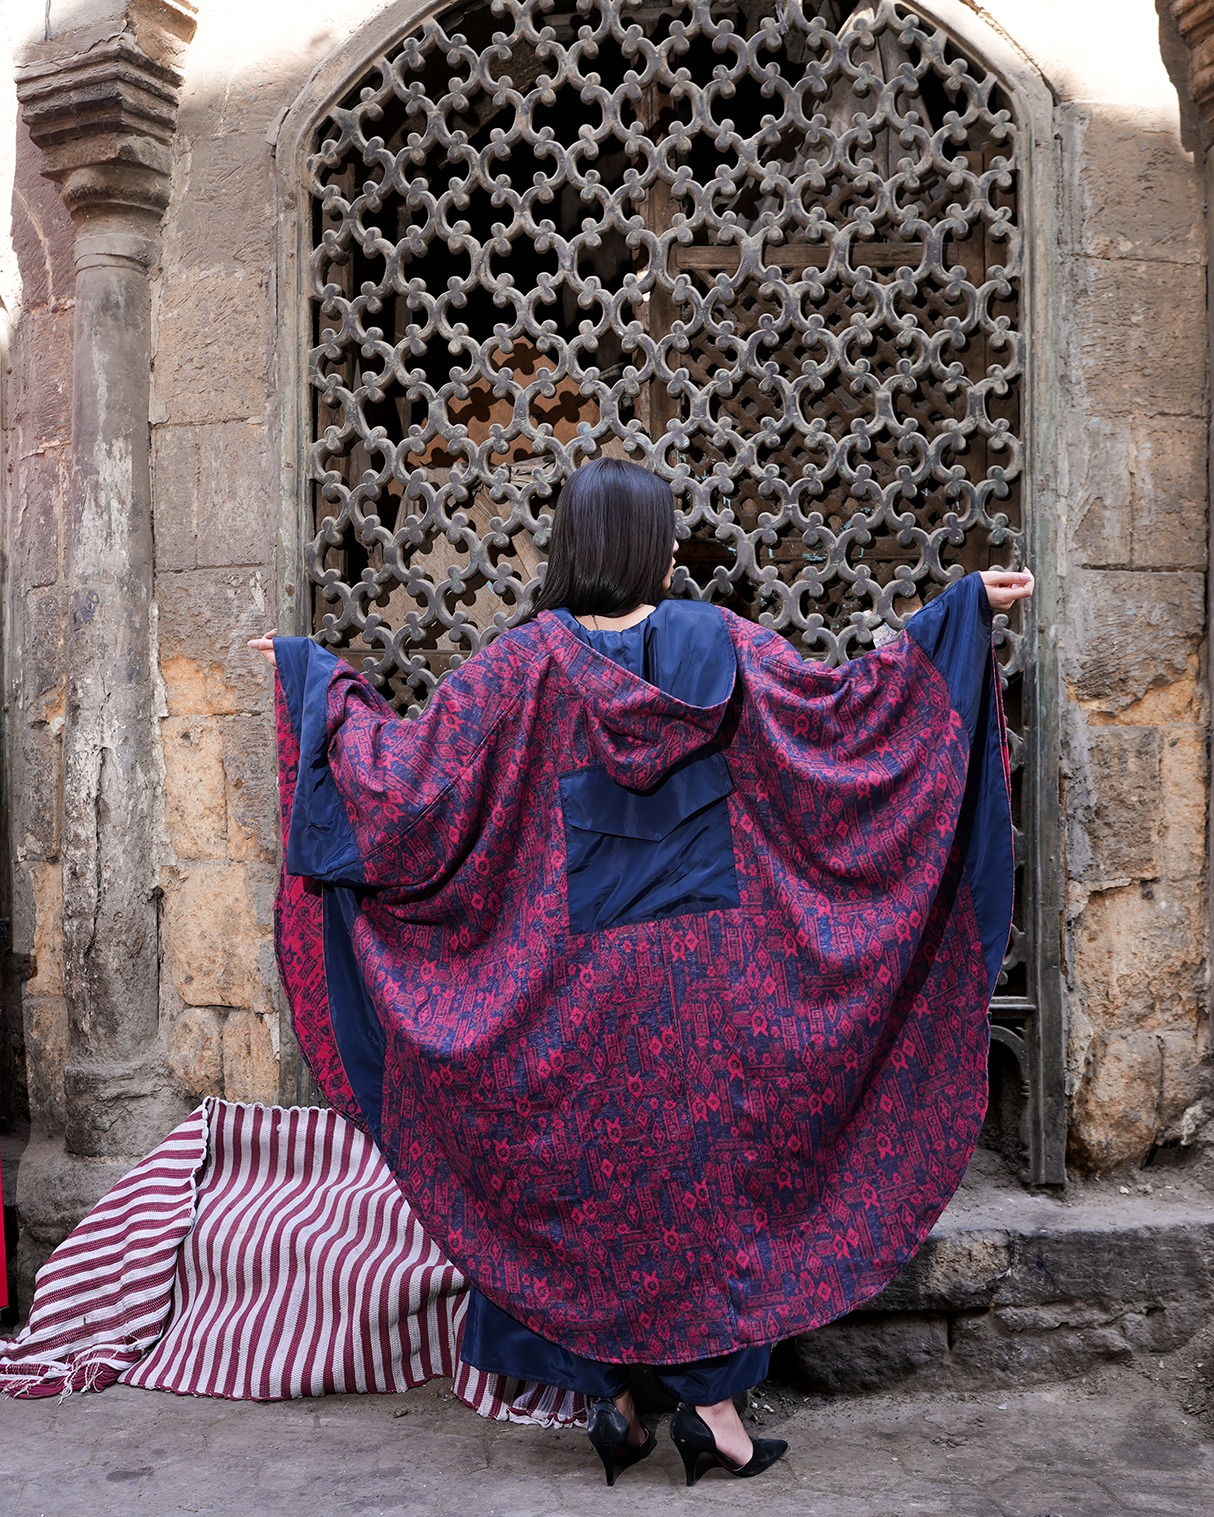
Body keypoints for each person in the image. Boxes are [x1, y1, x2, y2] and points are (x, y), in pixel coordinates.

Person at [251, 458, 1032, 1486]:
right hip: (712, 991)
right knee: (707, 1188)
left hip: (573, 998)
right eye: (664, 533)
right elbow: (848, 716)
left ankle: (613, 1402)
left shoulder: (518, 669)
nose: (673, 549)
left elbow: (402, 783)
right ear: (645, 546)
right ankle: (713, 1412)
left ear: (573, 545)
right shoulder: (723, 645)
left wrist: (312, 679)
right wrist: (957, 616)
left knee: (577, 1186)